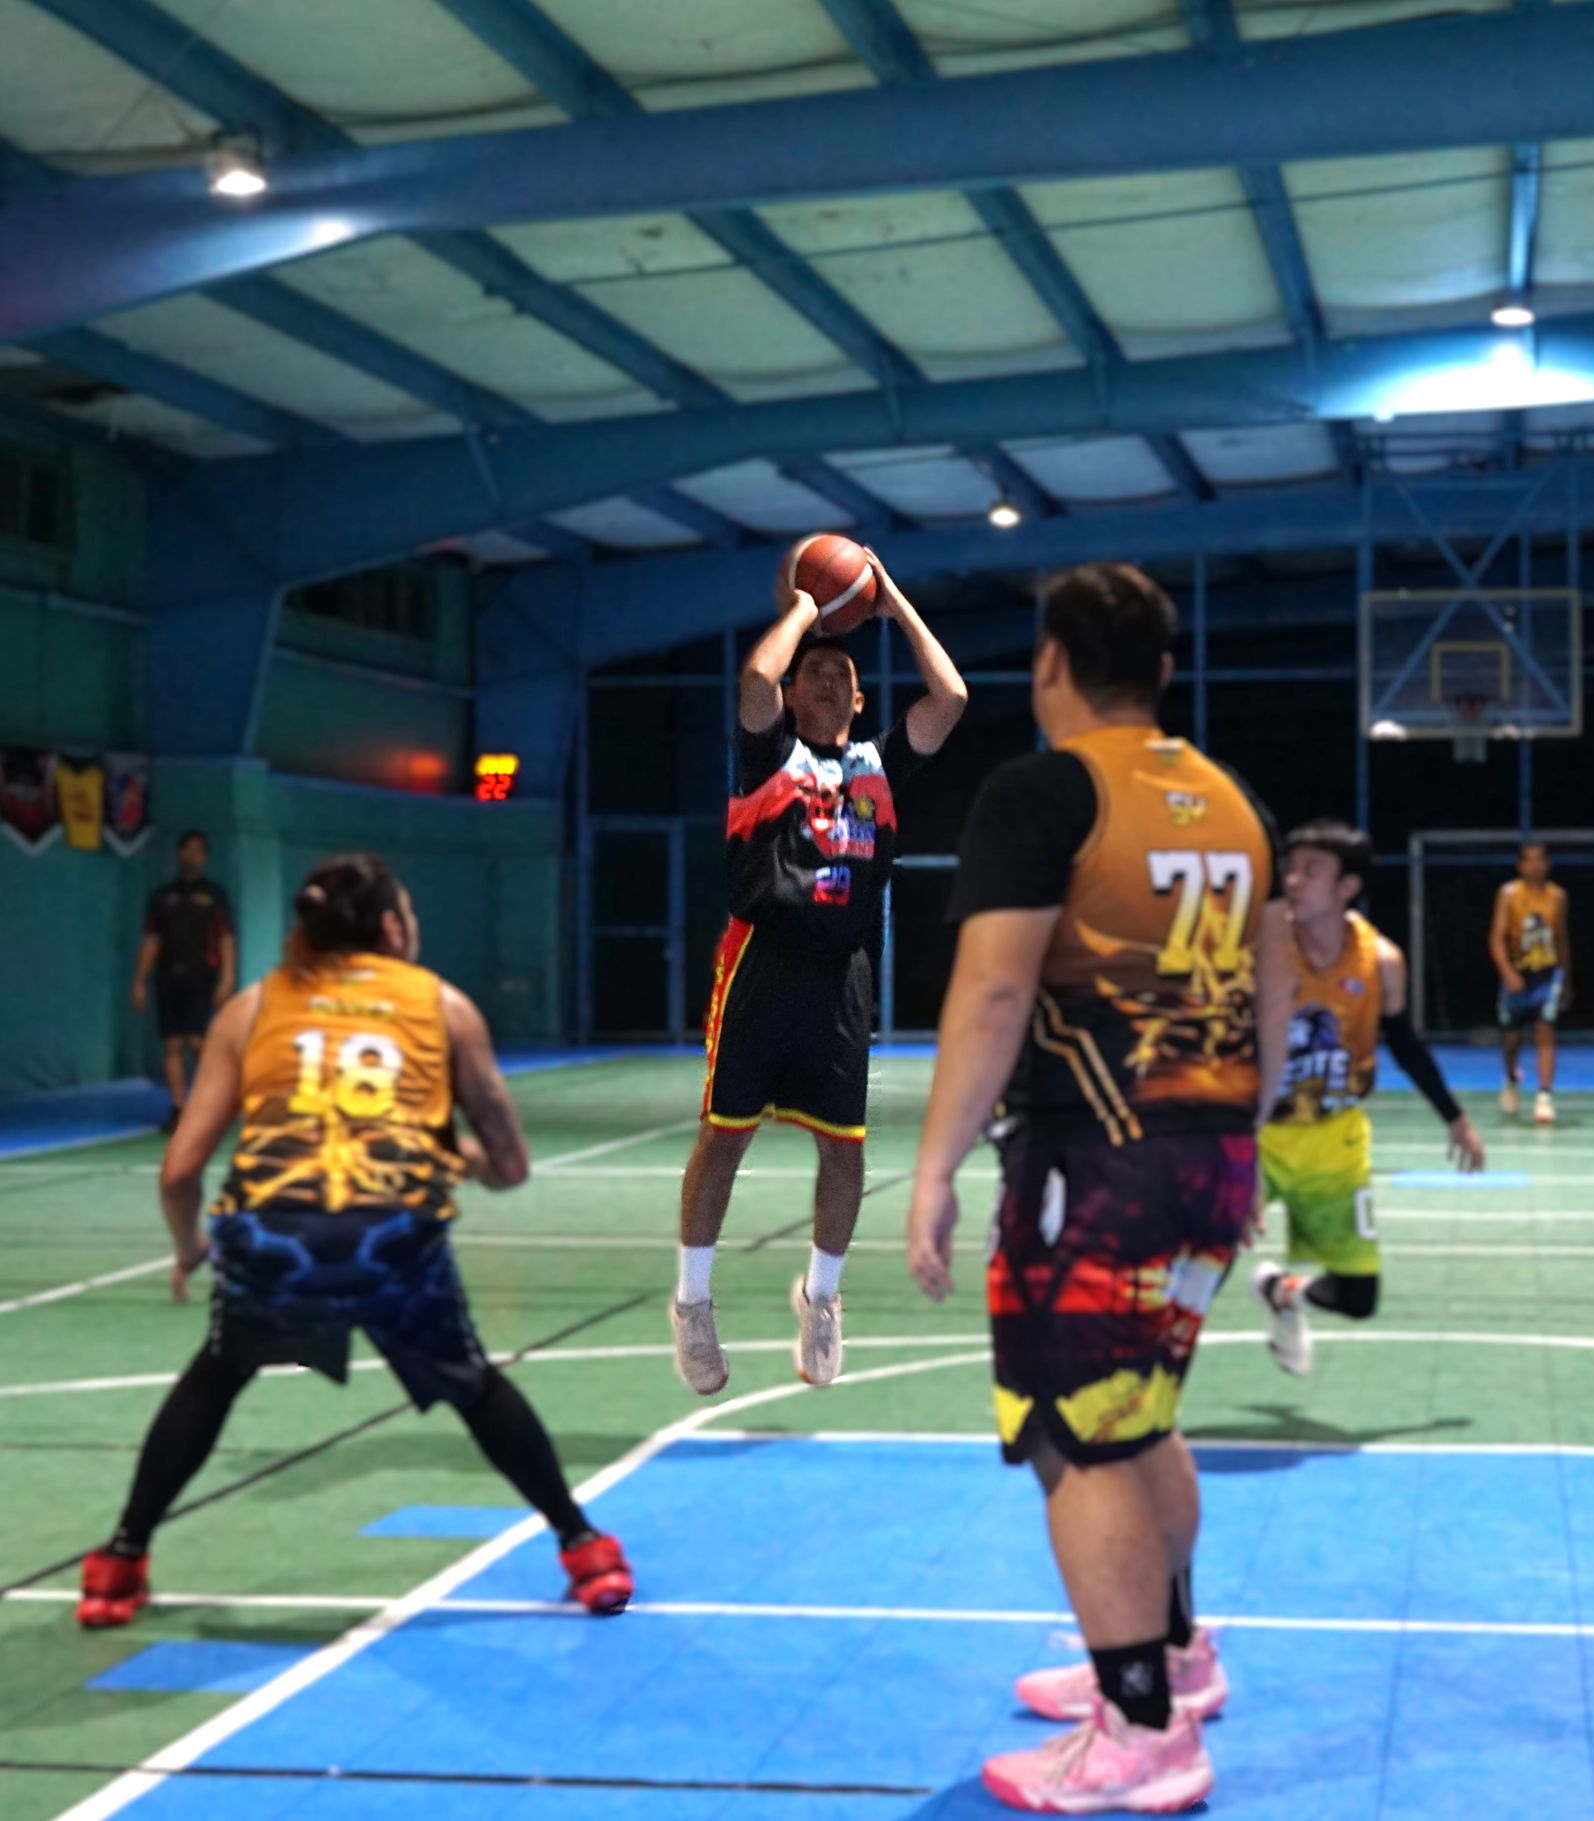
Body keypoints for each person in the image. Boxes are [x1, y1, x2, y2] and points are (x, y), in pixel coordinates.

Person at [905, 562, 1294, 1814]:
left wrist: (932, 1167)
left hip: (1096, 1162)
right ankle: (1172, 1655)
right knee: (1143, 1407)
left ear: (1051, 665)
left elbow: (995, 992)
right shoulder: (1229, 800)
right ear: (1166, 673)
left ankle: (1143, 1733)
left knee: (1076, 1431)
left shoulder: (1043, 792)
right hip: (1213, 1154)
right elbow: (1275, 990)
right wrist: (1241, 1125)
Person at [79, 854, 631, 1628]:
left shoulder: (251, 1007)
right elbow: (509, 1166)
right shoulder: (442, 1006)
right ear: (391, 927)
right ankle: (585, 1549)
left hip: (275, 1235)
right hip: (390, 1233)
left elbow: (179, 1171)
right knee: (472, 1383)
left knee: (219, 1374)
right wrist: (463, 1160)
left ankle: (117, 1563)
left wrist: (190, 1249)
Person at [673, 550, 967, 1394]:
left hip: (844, 972)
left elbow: (951, 699)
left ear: (861, 696)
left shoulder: (880, 764)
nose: (831, 683)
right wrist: (810, 606)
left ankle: (824, 1299)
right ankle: (694, 1303)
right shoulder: (769, 756)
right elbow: (756, 681)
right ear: (799, 696)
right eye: (818, 676)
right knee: (723, 1138)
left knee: (845, 1150)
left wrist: (889, 598)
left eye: (844, 674)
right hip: (761, 958)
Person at [1250, 821, 1485, 1376]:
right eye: (1291, 868)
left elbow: (1402, 1041)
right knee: (1192, 1264)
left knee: (1360, 1298)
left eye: (1313, 871)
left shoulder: (1381, 960)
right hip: (1258, 1131)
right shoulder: (1263, 946)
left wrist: (1455, 1118)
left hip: (1335, 1137)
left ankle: (1284, 1294)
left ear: (1348, 888)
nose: (1294, 880)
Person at [133, 831, 237, 1131]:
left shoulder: (215, 896)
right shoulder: (161, 897)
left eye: (198, 851)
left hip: (202, 976)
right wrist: (140, 979)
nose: (192, 856)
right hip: (167, 977)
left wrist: (227, 976)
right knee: (172, 1044)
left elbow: (226, 938)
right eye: (187, 850)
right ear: (179, 854)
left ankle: (210, 1105)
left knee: (198, 1042)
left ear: (205, 857)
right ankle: (178, 1107)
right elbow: (152, 939)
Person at [1490, 841, 1571, 1124]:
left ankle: (1544, 1096)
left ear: (1548, 864)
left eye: (1540, 859)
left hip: (1546, 975)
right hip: (1516, 973)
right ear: (1520, 864)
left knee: (1545, 1030)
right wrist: (1507, 972)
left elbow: (1561, 938)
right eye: (1529, 860)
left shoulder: (1557, 896)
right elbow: (1496, 938)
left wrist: (1567, 978)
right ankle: (1511, 1079)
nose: (1535, 865)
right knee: (1512, 1037)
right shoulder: (1509, 894)